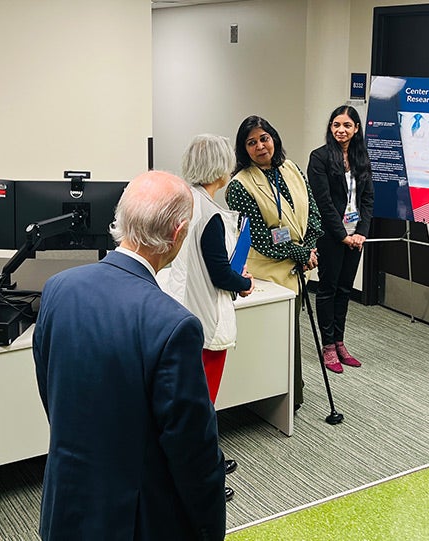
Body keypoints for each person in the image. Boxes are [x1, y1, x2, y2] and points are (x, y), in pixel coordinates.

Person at [32, 171, 226, 541]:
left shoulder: (58, 289)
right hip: (135, 519)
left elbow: (51, 390)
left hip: (65, 503)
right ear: (177, 232)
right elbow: (192, 452)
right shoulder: (174, 325)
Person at [162, 134, 253, 502]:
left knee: (190, 401)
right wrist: (243, 282)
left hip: (181, 312)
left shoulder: (183, 203)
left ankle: (208, 459)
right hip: (205, 320)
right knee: (202, 404)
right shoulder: (211, 214)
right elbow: (220, 273)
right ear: (221, 166)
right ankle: (201, 477)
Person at [226, 115, 324, 410]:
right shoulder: (240, 186)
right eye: (251, 142)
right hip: (266, 277)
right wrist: (302, 254)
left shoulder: (291, 169)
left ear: (274, 139)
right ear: (244, 150)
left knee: (291, 336)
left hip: (296, 271)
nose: (260, 146)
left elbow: (314, 215)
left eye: (264, 138)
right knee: (272, 341)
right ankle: (271, 398)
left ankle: (292, 393)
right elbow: (261, 239)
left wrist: (309, 249)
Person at [307, 105, 374, 373]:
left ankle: (339, 341)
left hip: (355, 234)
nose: (341, 130)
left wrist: (361, 233)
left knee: (345, 289)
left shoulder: (361, 157)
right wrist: (343, 236)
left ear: (356, 129)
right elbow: (322, 203)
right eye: (336, 125)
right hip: (332, 235)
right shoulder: (320, 157)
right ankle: (327, 346)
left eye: (347, 125)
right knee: (328, 288)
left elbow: (368, 199)